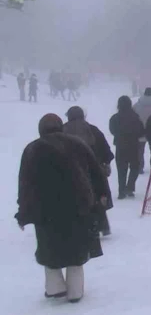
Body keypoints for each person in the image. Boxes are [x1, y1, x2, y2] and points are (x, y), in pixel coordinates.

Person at [16, 114, 111, 303]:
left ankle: (55, 288)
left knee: (49, 248)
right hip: (78, 205)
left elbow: (25, 184)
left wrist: (24, 211)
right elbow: (96, 173)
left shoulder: (32, 148)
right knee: (76, 248)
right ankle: (75, 291)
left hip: (45, 209)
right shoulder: (78, 144)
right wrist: (102, 195)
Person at [64, 106, 114, 236]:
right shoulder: (93, 130)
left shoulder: (62, 131)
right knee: (98, 197)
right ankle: (103, 226)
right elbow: (107, 152)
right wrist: (104, 163)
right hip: (94, 170)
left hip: (71, 172)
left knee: (77, 200)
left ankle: (84, 228)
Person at [109, 96, 145, 199]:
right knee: (135, 167)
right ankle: (130, 187)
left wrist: (119, 135)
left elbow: (112, 130)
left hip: (120, 146)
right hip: (133, 146)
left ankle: (121, 191)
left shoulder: (115, 117)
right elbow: (141, 131)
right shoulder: (135, 117)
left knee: (121, 169)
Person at [133, 88, 151, 176]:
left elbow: (133, 116)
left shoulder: (136, 105)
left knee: (140, 151)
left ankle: (140, 168)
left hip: (140, 131)